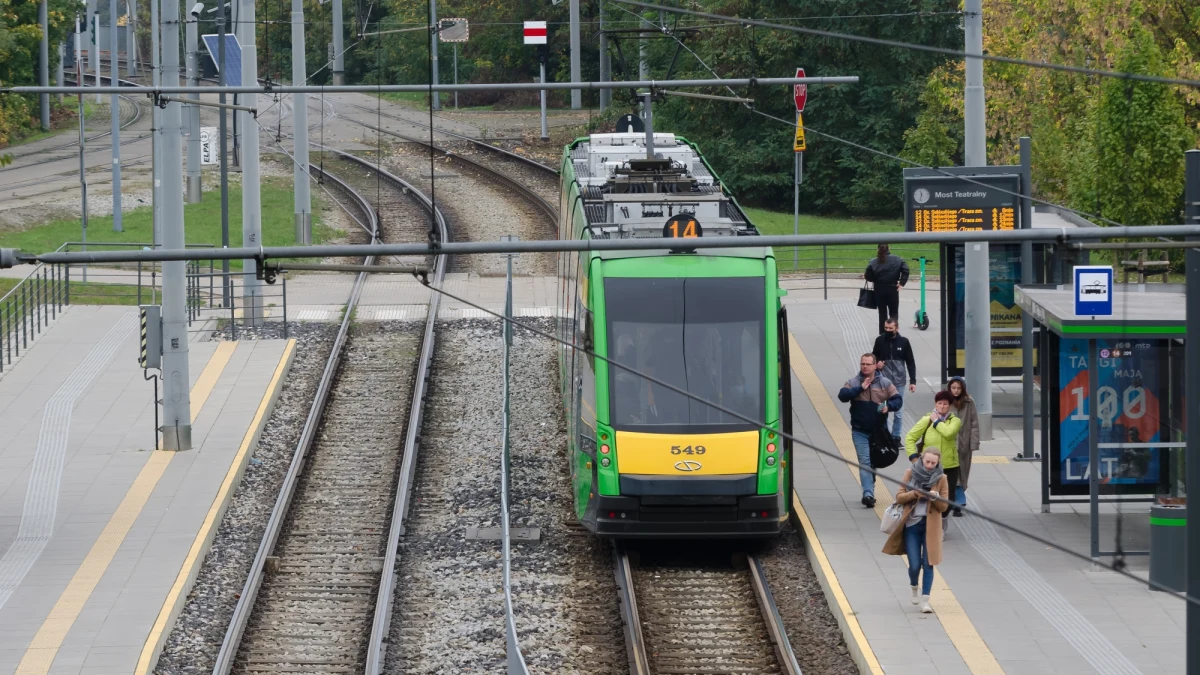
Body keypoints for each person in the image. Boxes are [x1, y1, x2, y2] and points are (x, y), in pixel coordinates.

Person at [882, 448, 950, 613]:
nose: (929, 465)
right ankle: (914, 587)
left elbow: (944, 506)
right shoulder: (910, 473)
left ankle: (925, 600)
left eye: (933, 463)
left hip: (931, 528)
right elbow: (899, 497)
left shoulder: (941, 478)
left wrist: (935, 497)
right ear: (921, 459)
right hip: (912, 525)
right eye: (927, 461)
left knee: (928, 564)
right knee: (914, 565)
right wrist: (915, 493)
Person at [838, 353, 902, 508]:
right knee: (865, 461)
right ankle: (868, 494)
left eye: (868, 364)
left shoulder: (885, 383)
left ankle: (870, 485)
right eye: (862, 364)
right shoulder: (853, 382)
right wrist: (860, 388)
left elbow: (898, 399)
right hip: (859, 430)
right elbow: (842, 395)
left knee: (873, 461)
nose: (865, 367)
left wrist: (889, 406)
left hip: (879, 431)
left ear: (875, 365)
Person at [905, 391, 963, 516]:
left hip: (949, 465)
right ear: (935, 404)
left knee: (948, 498)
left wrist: (936, 421)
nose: (942, 406)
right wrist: (914, 457)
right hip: (930, 467)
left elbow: (948, 433)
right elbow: (910, 438)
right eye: (939, 403)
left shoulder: (955, 421)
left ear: (950, 406)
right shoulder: (926, 420)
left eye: (945, 404)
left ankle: (942, 521)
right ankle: (933, 525)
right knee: (929, 495)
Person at [873, 317, 917, 443]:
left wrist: (913, 381)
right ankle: (884, 435)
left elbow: (910, 362)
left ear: (897, 328)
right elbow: (873, 355)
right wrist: (877, 364)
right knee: (882, 408)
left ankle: (896, 437)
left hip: (899, 382)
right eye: (886, 328)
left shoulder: (904, 342)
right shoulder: (880, 340)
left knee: (898, 410)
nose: (887, 330)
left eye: (890, 328)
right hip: (882, 382)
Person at [945, 377, 979, 516]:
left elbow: (974, 423)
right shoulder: (945, 402)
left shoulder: (969, 402)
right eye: (953, 388)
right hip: (949, 444)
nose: (956, 391)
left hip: (964, 444)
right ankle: (958, 501)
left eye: (959, 388)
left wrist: (974, 443)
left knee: (963, 473)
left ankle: (956, 499)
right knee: (954, 473)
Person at [864, 244, 911, 334]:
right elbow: (906, 269)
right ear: (889, 248)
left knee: (882, 313)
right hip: (893, 288)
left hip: (879, 289)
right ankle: (893, 331)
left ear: (878, 249)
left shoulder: (873, 261)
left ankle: (883, 333)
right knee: (893, 312)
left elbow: (868, 276)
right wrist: (901, 283)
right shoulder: (897, 259)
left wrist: (875, 280)